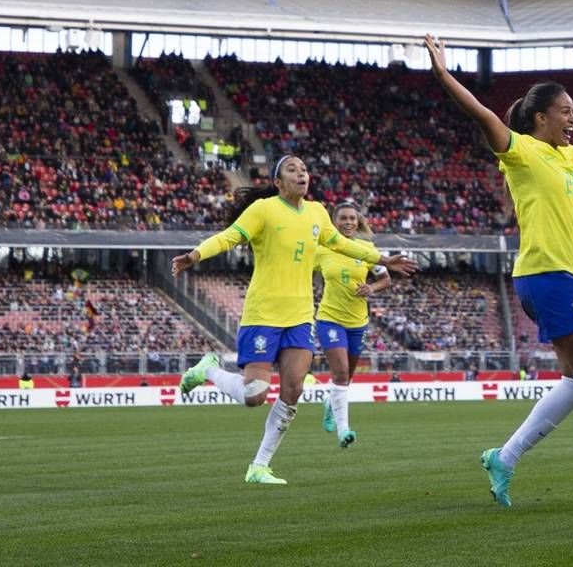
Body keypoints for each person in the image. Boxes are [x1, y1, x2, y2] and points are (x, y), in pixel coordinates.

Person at [424, 33, 573, 509]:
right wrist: (443, 74)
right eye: (566, 111)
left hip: (561, 276)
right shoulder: (520, 152)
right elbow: (484, 114)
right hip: (545, 275)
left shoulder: (564, 157)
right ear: (541, 117)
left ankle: (504, 457)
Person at [171, 155, 416, 484]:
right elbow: (229, 236)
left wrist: (383, 258)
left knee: (293, 389)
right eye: (292, 169)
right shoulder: (264, 210)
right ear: (278, 182)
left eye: (304, 169)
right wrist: (195, 255)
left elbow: (342, 244)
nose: (301, 174)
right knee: (254, 395)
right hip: (264, 313)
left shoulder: (316, 213)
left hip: (300, 317)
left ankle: (259, 466)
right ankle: (209, 369)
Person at [315, 198, 393, 448]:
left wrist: (371, 287)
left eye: (352, 218)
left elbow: (386, 280)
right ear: (333, 222)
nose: (348, 222)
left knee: (345, 377)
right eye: (343, 218)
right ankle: (344, 429)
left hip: (358, 322)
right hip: (329, 319)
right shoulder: (322, 248)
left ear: (358, 221)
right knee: (339, 373)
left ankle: (330, 403)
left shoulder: (366, 248)